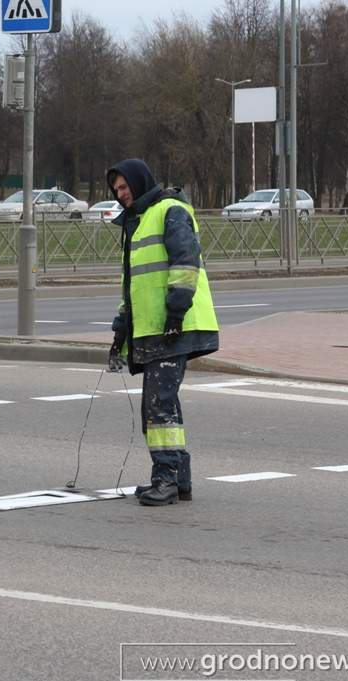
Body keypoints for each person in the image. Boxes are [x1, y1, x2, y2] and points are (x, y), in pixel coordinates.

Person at [105, 158, 219, 506]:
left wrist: (175, 311)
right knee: (161, 404)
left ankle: (166, 479)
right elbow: (133, 287)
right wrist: (120, 332)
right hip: (156, 329)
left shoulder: (170, 210)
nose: (121, 195)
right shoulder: (136, 224)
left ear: (140, 182)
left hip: (175, 326)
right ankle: (178, 480)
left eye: (124, 188)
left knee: (158, 406)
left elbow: (186, 261)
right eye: (117, 190)